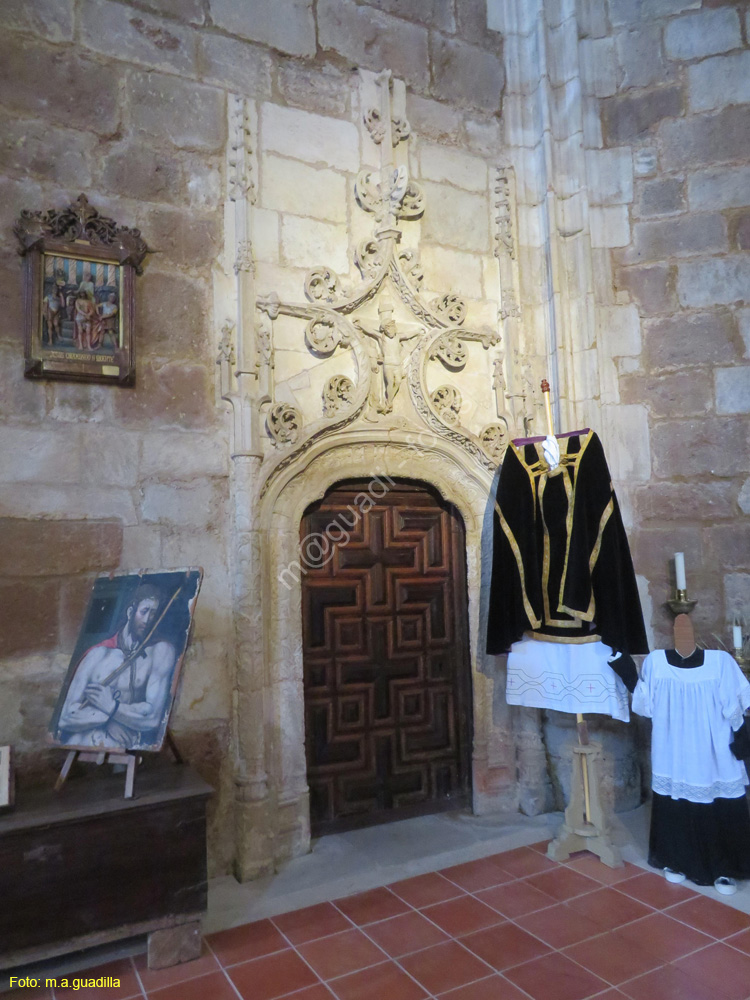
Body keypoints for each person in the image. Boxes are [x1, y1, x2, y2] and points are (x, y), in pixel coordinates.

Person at [56, 584, 177, 750]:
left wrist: (112, 707)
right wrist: (110, 719)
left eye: (154, 614)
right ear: (130, 612)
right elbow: (66, 716)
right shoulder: (98, 655)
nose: (148, 620)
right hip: (83, 740)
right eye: (144, 611)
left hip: (125, 744)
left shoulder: (160, 652)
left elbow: (153, 717)